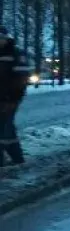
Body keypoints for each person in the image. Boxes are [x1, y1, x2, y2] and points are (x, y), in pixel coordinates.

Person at [0, 26, 31, 167]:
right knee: (6, 128)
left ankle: (15, 159)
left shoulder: (16, 54)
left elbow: (21, 80)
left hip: (9, 98)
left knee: (5, 128)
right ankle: (15, 159)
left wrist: (13, 99)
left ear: (6, 38)